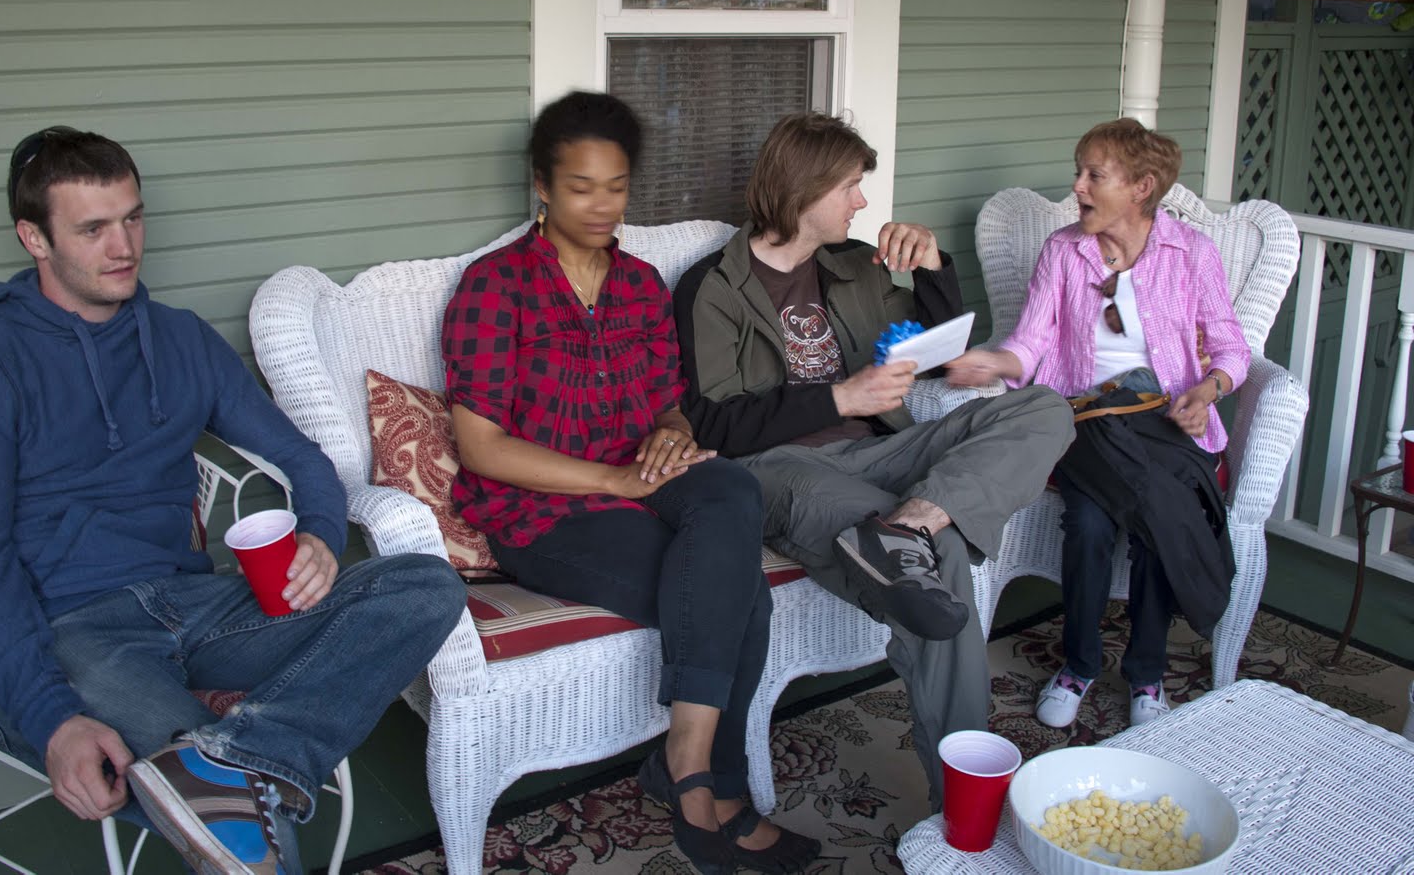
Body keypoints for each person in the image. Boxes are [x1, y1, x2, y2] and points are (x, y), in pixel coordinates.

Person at [0, 127, 466, 875]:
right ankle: (240, 774)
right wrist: (50, 721)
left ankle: (236, 757)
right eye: (93, 229)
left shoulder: (179, 339)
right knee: (241, 822)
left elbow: (302, 458)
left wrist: (320, 534)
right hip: (75, 631)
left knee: (426, 584)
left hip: (201, 607)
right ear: (34, 238)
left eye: (133, 218)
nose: (124, 247)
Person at [440, 92, 818, 875]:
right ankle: (716, 787)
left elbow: (667, 402)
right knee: (743, 594)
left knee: (730, 489)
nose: (602, 205)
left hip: (640, 473)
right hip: (543, 510)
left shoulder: (640, 283)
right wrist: (611, 478)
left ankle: (685, 759)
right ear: (542, 185)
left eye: (615, 186)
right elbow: (481, 447)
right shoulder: (495, 286)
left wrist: (671, 433)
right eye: (581, 187)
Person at [673, 112, 1074, 805]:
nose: (861, 201)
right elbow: (715, 421)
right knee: (942, 560)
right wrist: (838, 397)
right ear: (804, 187)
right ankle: (965, 796)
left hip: (885, 449)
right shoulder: (713, 286)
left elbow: (937, 356)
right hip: (781, 469)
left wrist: (933, 268)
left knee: (1044, 409)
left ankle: (913, 521)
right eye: (850, 186)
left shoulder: (854, 265)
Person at [946, 117, 1250, 729]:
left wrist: (1207, 390)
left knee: (1159, 511)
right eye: (1077, 172)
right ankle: (1079, 664)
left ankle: (1146, 673)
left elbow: (1231, 348)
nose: (1078, 187)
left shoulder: (1191, 253)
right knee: (1088, 524)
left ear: (1141, 187)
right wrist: (995, 363)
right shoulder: (1064, 251)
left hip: (1167, 420)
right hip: (1086, 421)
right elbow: (1030, 342)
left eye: (1094, 175)